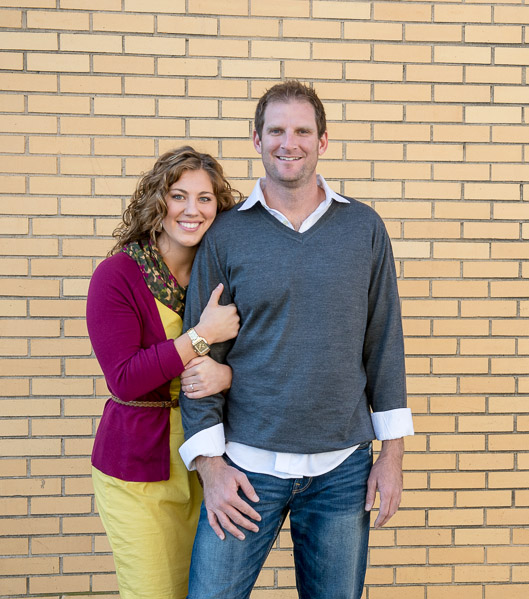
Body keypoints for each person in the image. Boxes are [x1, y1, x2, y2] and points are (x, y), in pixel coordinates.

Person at [178, 80, 414, 599]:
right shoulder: (226, 234)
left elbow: (384, 343)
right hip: (245, 469)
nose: (290, 142)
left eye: (303, 130)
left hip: (341, 471)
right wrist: (211, 468)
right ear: (257, 140)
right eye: (277, 130)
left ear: (323, 141)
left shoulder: (364, 227)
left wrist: (391, 456)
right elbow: (199, 359)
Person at [86, 146, 243, 599]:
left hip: (208, 461)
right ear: (159, 202)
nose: (192, 210)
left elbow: (263, 357)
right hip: (137, 469)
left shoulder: (220, 278)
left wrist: (227, 376)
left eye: (205, 199)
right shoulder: (117, 276)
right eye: (179, 196)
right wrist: (200, 335)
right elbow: (124, 378)